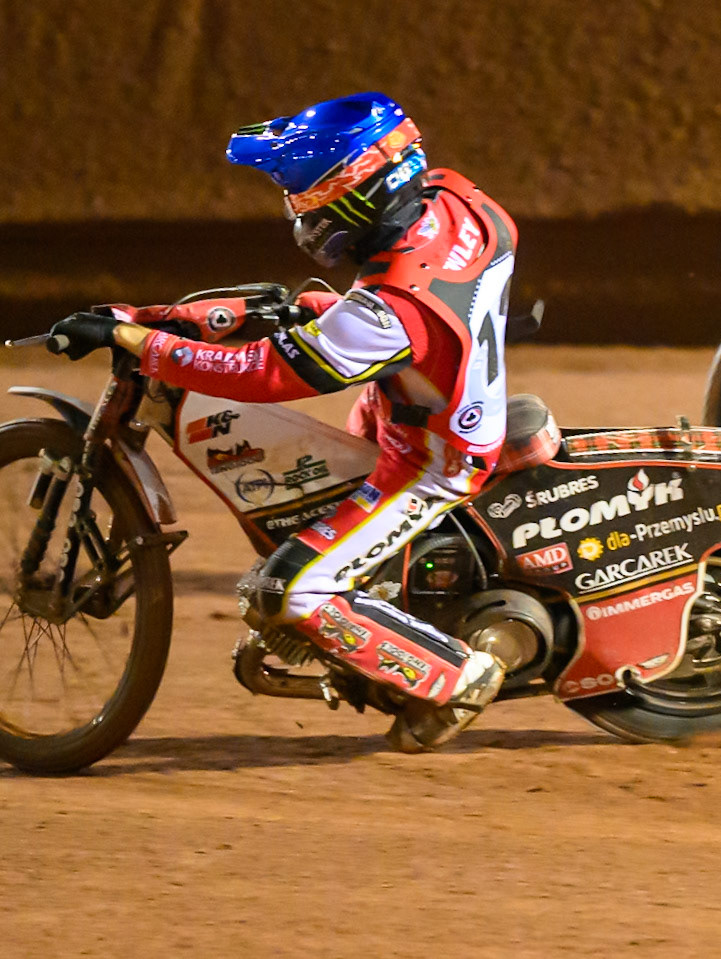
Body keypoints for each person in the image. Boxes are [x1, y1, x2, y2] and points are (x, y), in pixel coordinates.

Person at [45, 93, 514, 750]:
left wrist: (139, 343)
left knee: (285, 589)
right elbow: (378, 308)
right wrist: (170, 317)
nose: (298, 210)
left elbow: (261, 374)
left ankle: (455, 677)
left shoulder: (386, 315)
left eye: (305, 193)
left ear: (359, 191)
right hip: (418, 393)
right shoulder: (455, 200)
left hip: (431, 459)